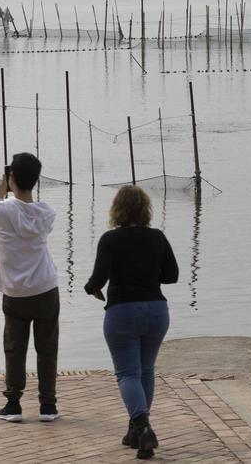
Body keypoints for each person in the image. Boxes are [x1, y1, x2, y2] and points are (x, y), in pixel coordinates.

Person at [85, 185, 178, 460]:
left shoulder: (110, 240)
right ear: (145, 209)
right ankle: (135, 433)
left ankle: (143, 426)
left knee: (127, 374)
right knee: (145, 371)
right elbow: (171, 275)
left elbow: (98, 279)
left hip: (122, 312)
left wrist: (90, 288)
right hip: (156, 311)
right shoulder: (158, 237)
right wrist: (147, 272)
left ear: (117, 210)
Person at [0, 152, 60, 423]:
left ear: (11, 177)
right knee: (47, 348)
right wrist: (13, 189)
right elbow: (30, 213)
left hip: (15, 293)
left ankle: (13, 404)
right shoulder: (47, 212)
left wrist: (0, 192)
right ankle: (48, 406)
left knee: (15, 348)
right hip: (46, 288)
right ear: (36, 180)